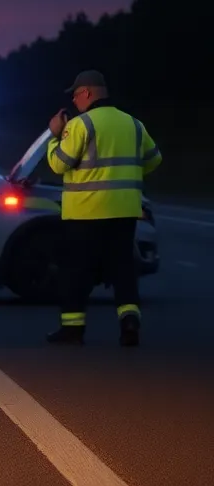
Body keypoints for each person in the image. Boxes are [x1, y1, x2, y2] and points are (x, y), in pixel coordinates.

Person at [45, 70, 162, 346]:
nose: (74, 101)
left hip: (86, 212)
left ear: (87, 92)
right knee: (123, 269)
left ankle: (72, 329)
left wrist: (54, 136)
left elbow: (59, 164)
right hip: (124, 211)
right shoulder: (134, 124)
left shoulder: (81, 125)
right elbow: (154, 160)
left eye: (75, 95)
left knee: (76, 270)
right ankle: (129, 322)